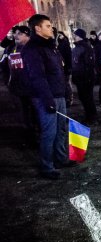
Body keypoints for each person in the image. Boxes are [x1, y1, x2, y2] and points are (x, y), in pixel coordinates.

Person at [22, 14, 71, 179]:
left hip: (59, 94)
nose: (51, 28)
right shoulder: (32, 49)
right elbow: (37, 77)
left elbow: (59, 72)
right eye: (48, 26)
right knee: (49, 132)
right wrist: (48, 100)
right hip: (46, 97)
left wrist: (66, 91)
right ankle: (47, 167)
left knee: (62, 129)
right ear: (38, 28)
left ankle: (61, 159)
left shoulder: (51, 46)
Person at [5, 26, 36, 146]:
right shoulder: (12, 49)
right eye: (15, 33)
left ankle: (38, 138)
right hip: (19, 89)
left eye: (19, 33)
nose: (16, 35)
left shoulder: (34, 49)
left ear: (27, 35)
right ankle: (29, 138)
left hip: (33, 89)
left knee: (36, 114)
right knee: (24, 116)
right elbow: (5, 68)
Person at [72, 28, 96, 123]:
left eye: (76, 35)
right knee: (84, 98)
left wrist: (88, 78)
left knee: (87, 98)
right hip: (80, 77)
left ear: (80, 36)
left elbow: (89, 65)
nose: (74, 37)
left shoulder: (85, 48)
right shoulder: (78, 47)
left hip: (85, 78)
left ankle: (91, 117)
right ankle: (89, 115)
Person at [56, 30, 73, 107]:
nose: (59, 37)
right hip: (60, 67)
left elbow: (68, 56)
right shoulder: (57, 44)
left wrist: (68, 67)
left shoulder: (65, 44)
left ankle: (69, 99)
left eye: (60, 35)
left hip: (65, 67)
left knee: (66, 83)